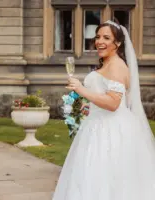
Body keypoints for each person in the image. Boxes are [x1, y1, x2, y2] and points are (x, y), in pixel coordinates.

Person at [53, 20, 155, 199]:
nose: (100, 41)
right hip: (96, 125)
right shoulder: (107, 64)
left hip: (112, 130)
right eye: (98, 36)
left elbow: (113, 103)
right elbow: (104, 96)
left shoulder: (117, 66)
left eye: (106, 37)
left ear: (118, 43)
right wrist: (87, 105)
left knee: (108, 177)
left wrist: (81, 89)